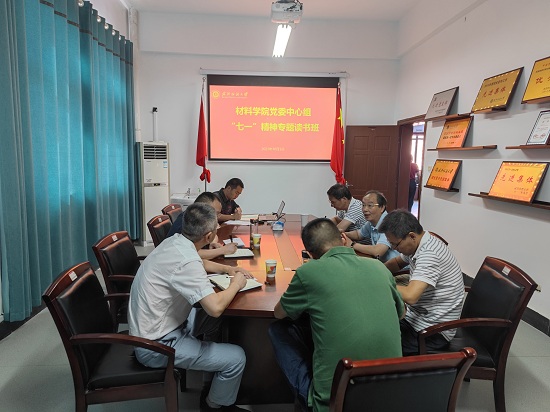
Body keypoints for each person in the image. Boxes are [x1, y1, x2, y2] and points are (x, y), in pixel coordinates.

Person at [269, 218, 404, 412]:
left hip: (333, 403)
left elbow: (279, 313)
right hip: (390, 397)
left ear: (310, 253)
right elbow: (401, 314)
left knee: (278, 329)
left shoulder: (308, 272)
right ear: (342, 238)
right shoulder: (379, 268)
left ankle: (309, 398)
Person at [128, 203, 250, 412]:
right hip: (155, 345)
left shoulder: (175, 242)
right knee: (236, 357)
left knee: (216, 321)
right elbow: (215, 307)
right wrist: (236, 284)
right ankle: (214, 406)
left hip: (160, 326)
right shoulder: (186, 261)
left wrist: (227, 269)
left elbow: (199, 262)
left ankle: (210, 380)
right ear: (209, 236)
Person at [378, 209, 464, 356]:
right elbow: (397, 263)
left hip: (433, 331)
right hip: (417, 317)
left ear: (411, 236)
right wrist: (376, 271)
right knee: (376, 324)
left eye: (395, 244)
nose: (394, 248)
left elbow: (411, 296)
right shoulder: (420, 242)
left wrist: (377, 281)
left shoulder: (430, 254)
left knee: (378, 345)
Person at [167, 192, 238, 260]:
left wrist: (212, 243)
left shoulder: (200, 219)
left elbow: (214, 234)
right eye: (216, 213)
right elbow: (190, 253)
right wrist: (222, 250)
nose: (217, 217)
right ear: (203, 209)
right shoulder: (188, 222)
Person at [343, 190, 400, 263]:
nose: (365, 209)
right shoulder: (372, 221)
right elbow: (358, 234)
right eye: (363, 205)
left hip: (396, 267)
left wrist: (352, 244)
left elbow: (378, 251)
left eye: (370, 205)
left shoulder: (388, 223)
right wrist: (344, 234)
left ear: (382, 208)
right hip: (382, 263)